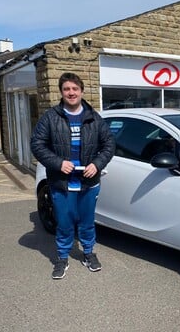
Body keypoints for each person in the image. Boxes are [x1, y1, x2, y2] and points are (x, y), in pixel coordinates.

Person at [31, 72, 115, 279]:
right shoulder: (50, 117)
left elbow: (109, 145)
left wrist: (97, 164)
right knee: (65, 222)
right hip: (62, 182)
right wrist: (58, 163)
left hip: (89, 182)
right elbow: (37, 145)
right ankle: (62, 258)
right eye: (67, 89)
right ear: (61, 92)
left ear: (81, 91)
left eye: (75, 89)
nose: (71, 93)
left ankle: (88, 253)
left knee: (87, 221)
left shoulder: (94, 118)